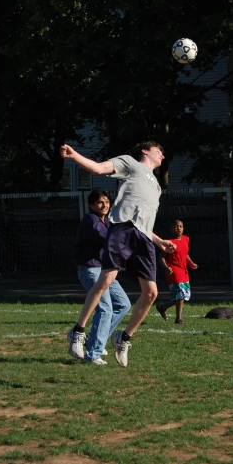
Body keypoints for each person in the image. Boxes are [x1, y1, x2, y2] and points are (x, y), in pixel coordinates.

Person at [61, 140, 176, 367]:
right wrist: (74, 156)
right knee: (106, 280)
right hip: (122, 228)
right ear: (145, 151)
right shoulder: (131, 163)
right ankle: (78, 331)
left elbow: (143, 221)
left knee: (151, 293)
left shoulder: (157, 186)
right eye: (159, 150)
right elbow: (97, 168)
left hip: (143, 237)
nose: (162, 154)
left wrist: (159, 240)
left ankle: (123, 339)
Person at [74, 189, 131, 365]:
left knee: (123, 304)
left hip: (104, 270)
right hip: (90, 269)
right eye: (100, 202)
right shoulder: (91, 220)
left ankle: (94, 340)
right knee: (105, 308)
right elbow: (108, 239)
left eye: (107, 202)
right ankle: (93, 353)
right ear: (92, 205)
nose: (105, 205)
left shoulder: (106, 221)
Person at [156, 219, 198, 325]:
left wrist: (191, 263)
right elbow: (161, 257)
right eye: (175, 226)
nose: (178, 228)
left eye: (180, 226)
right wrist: (166, 267)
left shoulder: (186, 239)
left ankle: (163, 307)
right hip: (173, 271)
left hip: (184, 270)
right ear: (171, 229)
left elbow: (185, 253)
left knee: (183, 296)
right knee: (180, 294)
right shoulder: (169, 243)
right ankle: (178, 319)